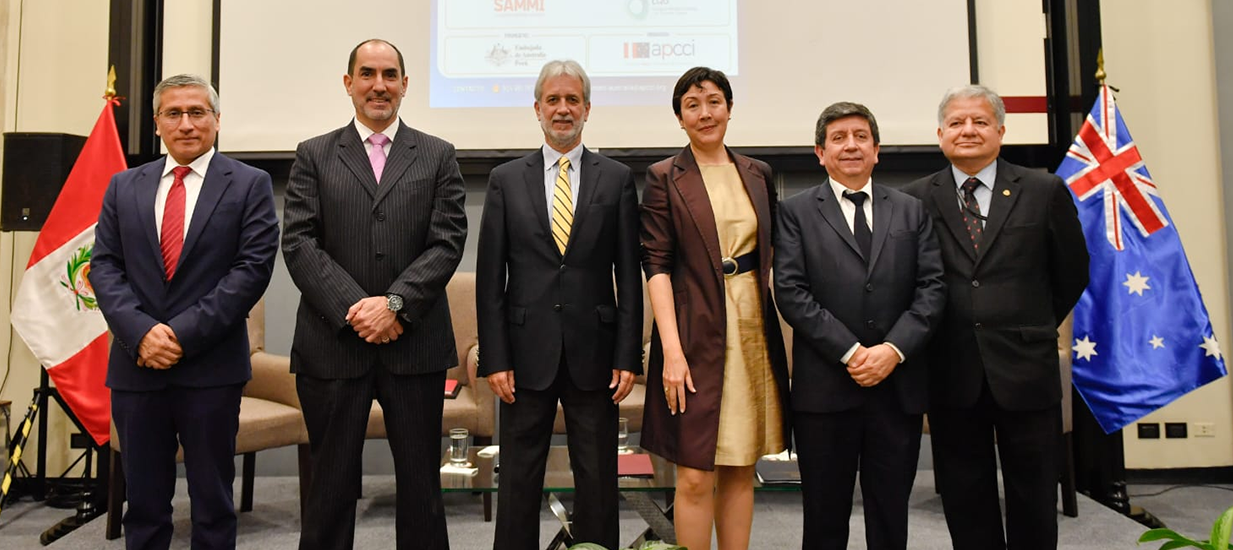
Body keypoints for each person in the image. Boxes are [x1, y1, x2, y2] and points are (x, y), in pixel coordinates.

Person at [282, 39, 467, 550]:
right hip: (333, 346)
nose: (379, 85)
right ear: (348, 84)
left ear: (406, 85)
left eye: (390, 75)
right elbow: (298, 242)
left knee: (421, 488)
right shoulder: (314, 154)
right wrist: (358, 308)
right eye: (367, 73)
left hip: (415, 346)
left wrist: (395, 305)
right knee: (330, 486)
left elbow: (448, 241)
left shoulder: (437, 154)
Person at [90, 73, 280, 549]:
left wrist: (177, 336)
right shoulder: (123, 186)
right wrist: (142, 334)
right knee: (145, 506)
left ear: (217, 120)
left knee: (213, 503)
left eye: (198, 112)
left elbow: (250, 272)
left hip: (211, 368)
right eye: (174, 113)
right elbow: (105, 268)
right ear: (157, 123)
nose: (187, 124)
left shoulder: (250, 185)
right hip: (137, 368)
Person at [903, 85, 1089, 550]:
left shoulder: (1043, 189)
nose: (968, 131)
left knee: (1033, 494)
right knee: (965, 495)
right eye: (957, 123)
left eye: (980, 122)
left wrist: (1032, 325)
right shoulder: (913, 200)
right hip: (951, 370)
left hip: (1026, 368)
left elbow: (1072, 271)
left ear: (1001, 131)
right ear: (940, 133)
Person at [476, 59, 642, 550]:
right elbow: (490, 279)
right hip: (525, 354)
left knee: (597, 478)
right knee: (520, 478)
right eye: (554, 100)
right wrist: (496, 356)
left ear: (588, 109)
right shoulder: (506, 179)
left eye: (572, 100)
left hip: (596, 352)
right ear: (537, 108)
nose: (563, 109)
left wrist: (627, 355)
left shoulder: (615, 179)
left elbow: (627, 274)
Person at [774, 102, 946, 550]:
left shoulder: (912, 210)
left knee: (890, 517)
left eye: (860, 136)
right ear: (820, 152)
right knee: (824, 518)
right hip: (826, 390)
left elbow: (932, 289)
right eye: (838, 137)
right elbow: (791, 291)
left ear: (876, 150)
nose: (850, 144)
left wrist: (891, 351)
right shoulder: (795, 212)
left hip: (897, 387)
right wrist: (852, 352)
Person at [639, 66, 790, 550]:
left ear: (729, 108)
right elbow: (656, 266)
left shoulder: (757, 172)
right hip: (693, 332)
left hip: (750, 331)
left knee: (741, 468)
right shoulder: (664, 176)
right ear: (680, 119)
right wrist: (672, 352)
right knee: (695, 475)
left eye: (714, 102)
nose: (705, 114)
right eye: (692, 105)